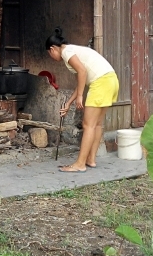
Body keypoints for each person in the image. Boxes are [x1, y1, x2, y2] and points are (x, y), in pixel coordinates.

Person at [45, 28, 119, 172]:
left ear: (53, 49)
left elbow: (83, 72)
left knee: (88, 125)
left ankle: (80, 164)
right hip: (111, 80)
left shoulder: (66, 52)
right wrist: (69, 102)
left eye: (49, 54)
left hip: (101, 83)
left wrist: (80, 97)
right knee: (96, 124)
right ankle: (91, 160)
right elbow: (81, 81)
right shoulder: (73, 52)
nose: (51, 56)